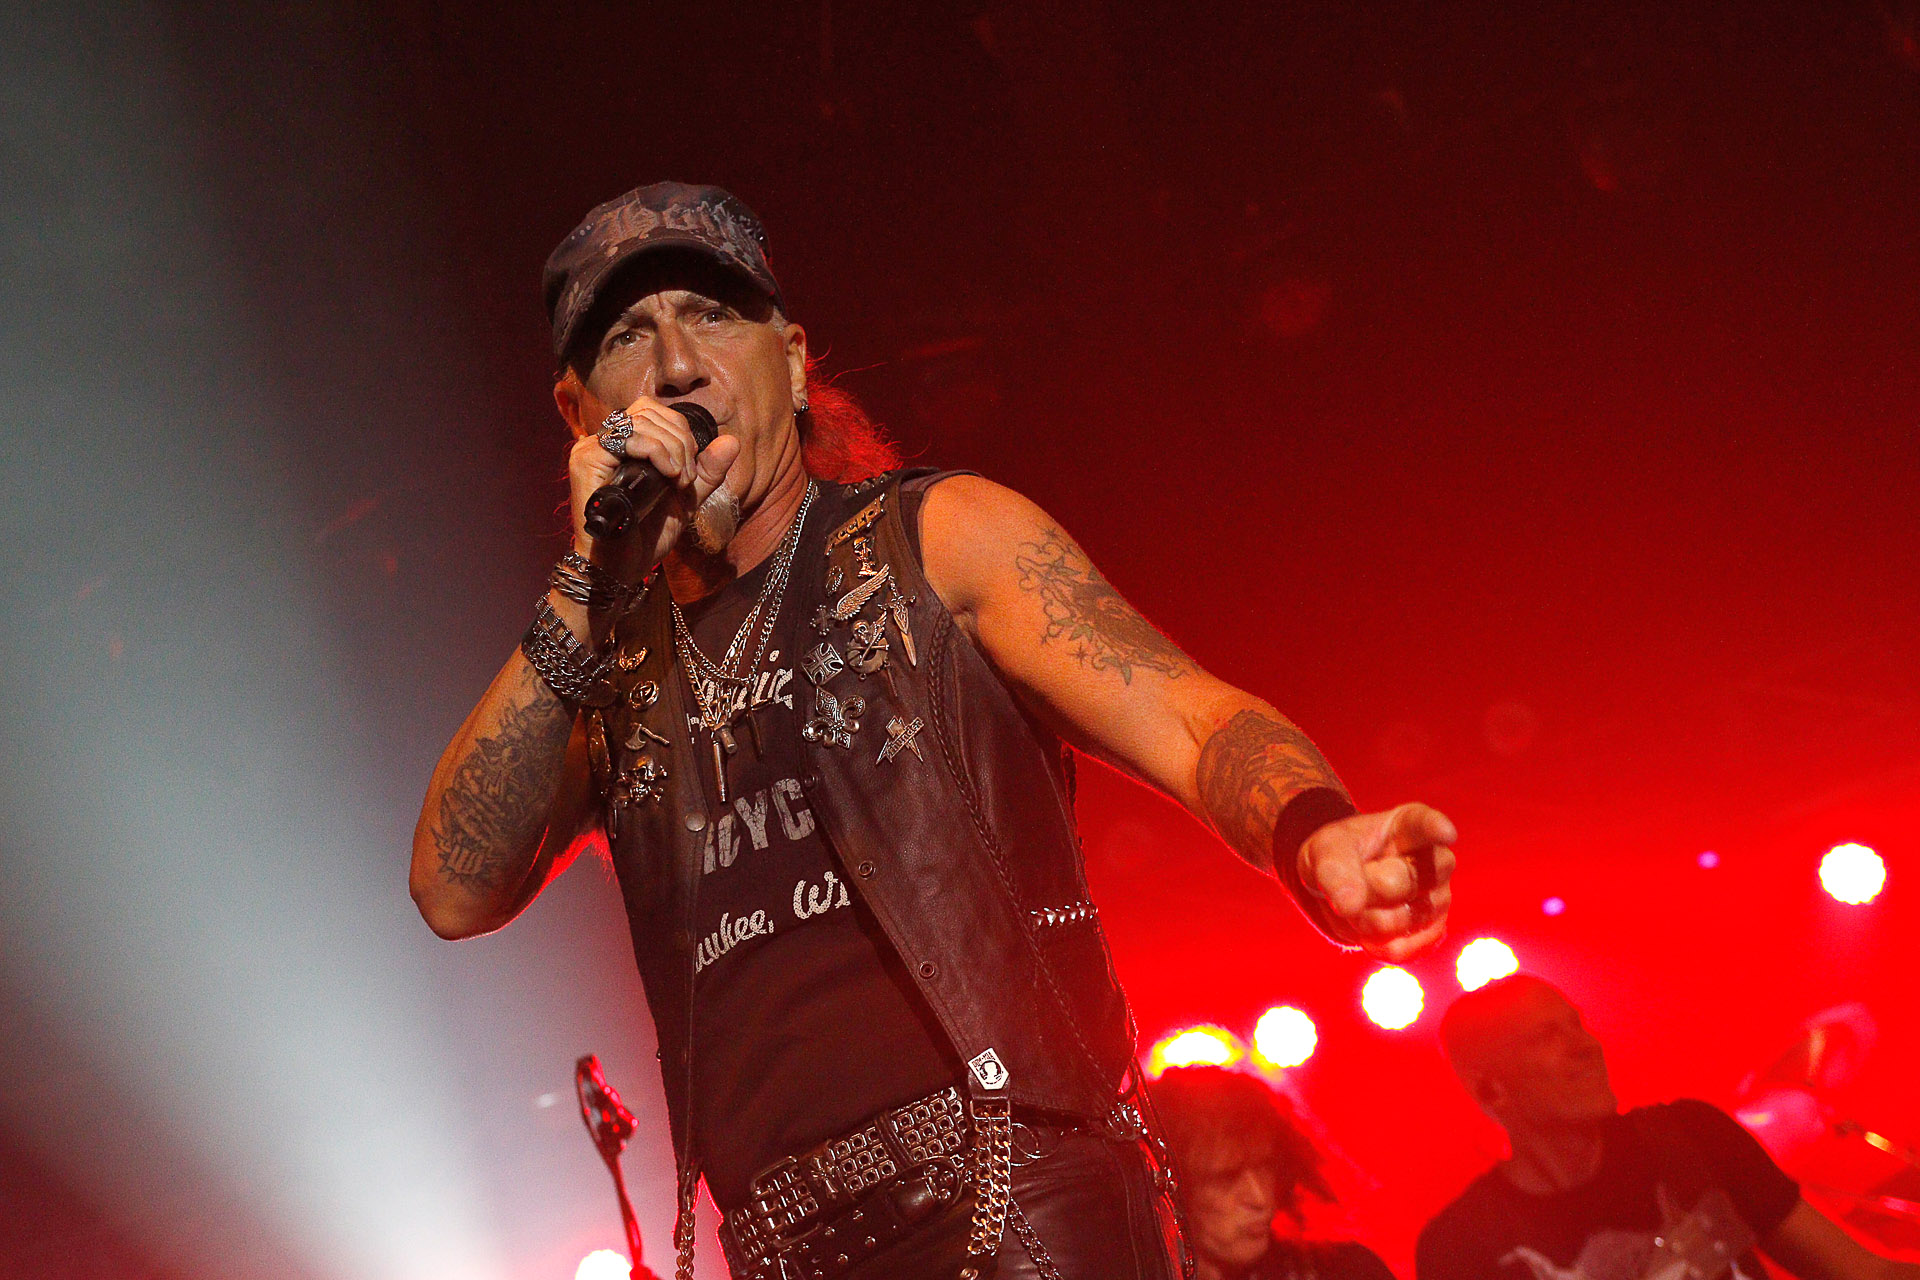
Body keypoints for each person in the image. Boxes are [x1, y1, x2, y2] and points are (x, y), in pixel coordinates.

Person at [410, 181, 1458, 1280]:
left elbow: (1189, 716)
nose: (677, 365)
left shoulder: (936, 539)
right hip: (782, 1253)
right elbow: (453, 888)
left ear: (793, 361)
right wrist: (588, 580)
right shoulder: (603, 672)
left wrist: (1312, 831)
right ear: (580, 413)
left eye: (711, 315)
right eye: (628, 336)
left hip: (1018, 1208)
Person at [1417, 974, 1920, 1280]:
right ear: (1491, 1090)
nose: (1586, 1045)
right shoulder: (1465, 1245)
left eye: (1578, 1024)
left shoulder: (1692, 1136)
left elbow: (1862, 1272)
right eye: (1548, 1036)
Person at [1150, 1066, 1395, 1280]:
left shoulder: (1345, 1271)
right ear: (1171, 1188)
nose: (1260, 1199)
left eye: (1265, 1167)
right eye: (1227, 1178)